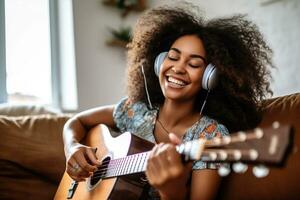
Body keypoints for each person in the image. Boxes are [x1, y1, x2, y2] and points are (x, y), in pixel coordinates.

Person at [63, 4, 273, 200]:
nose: (178, 68)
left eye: (193, 64)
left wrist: (172, 191)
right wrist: (72, 147)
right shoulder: (135, 111)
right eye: (172, 57)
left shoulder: (210, 136)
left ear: (210, 78)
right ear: (158, 63)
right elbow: (77, 121)